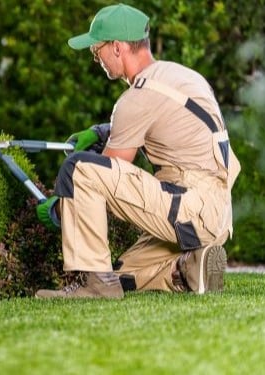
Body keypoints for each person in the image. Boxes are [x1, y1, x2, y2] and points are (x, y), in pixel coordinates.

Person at [34, 3, 241, 298]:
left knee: (78, 168)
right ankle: (186, 269)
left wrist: (59, 207)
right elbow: (167, 126)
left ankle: (96, 288)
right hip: (215, 215)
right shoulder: (178, 76)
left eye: (97, 48)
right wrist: (103, 131)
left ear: (117, 47)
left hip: (189, 208)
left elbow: (107, 177)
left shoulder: (136, 98)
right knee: (118, 273)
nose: (95, 57)